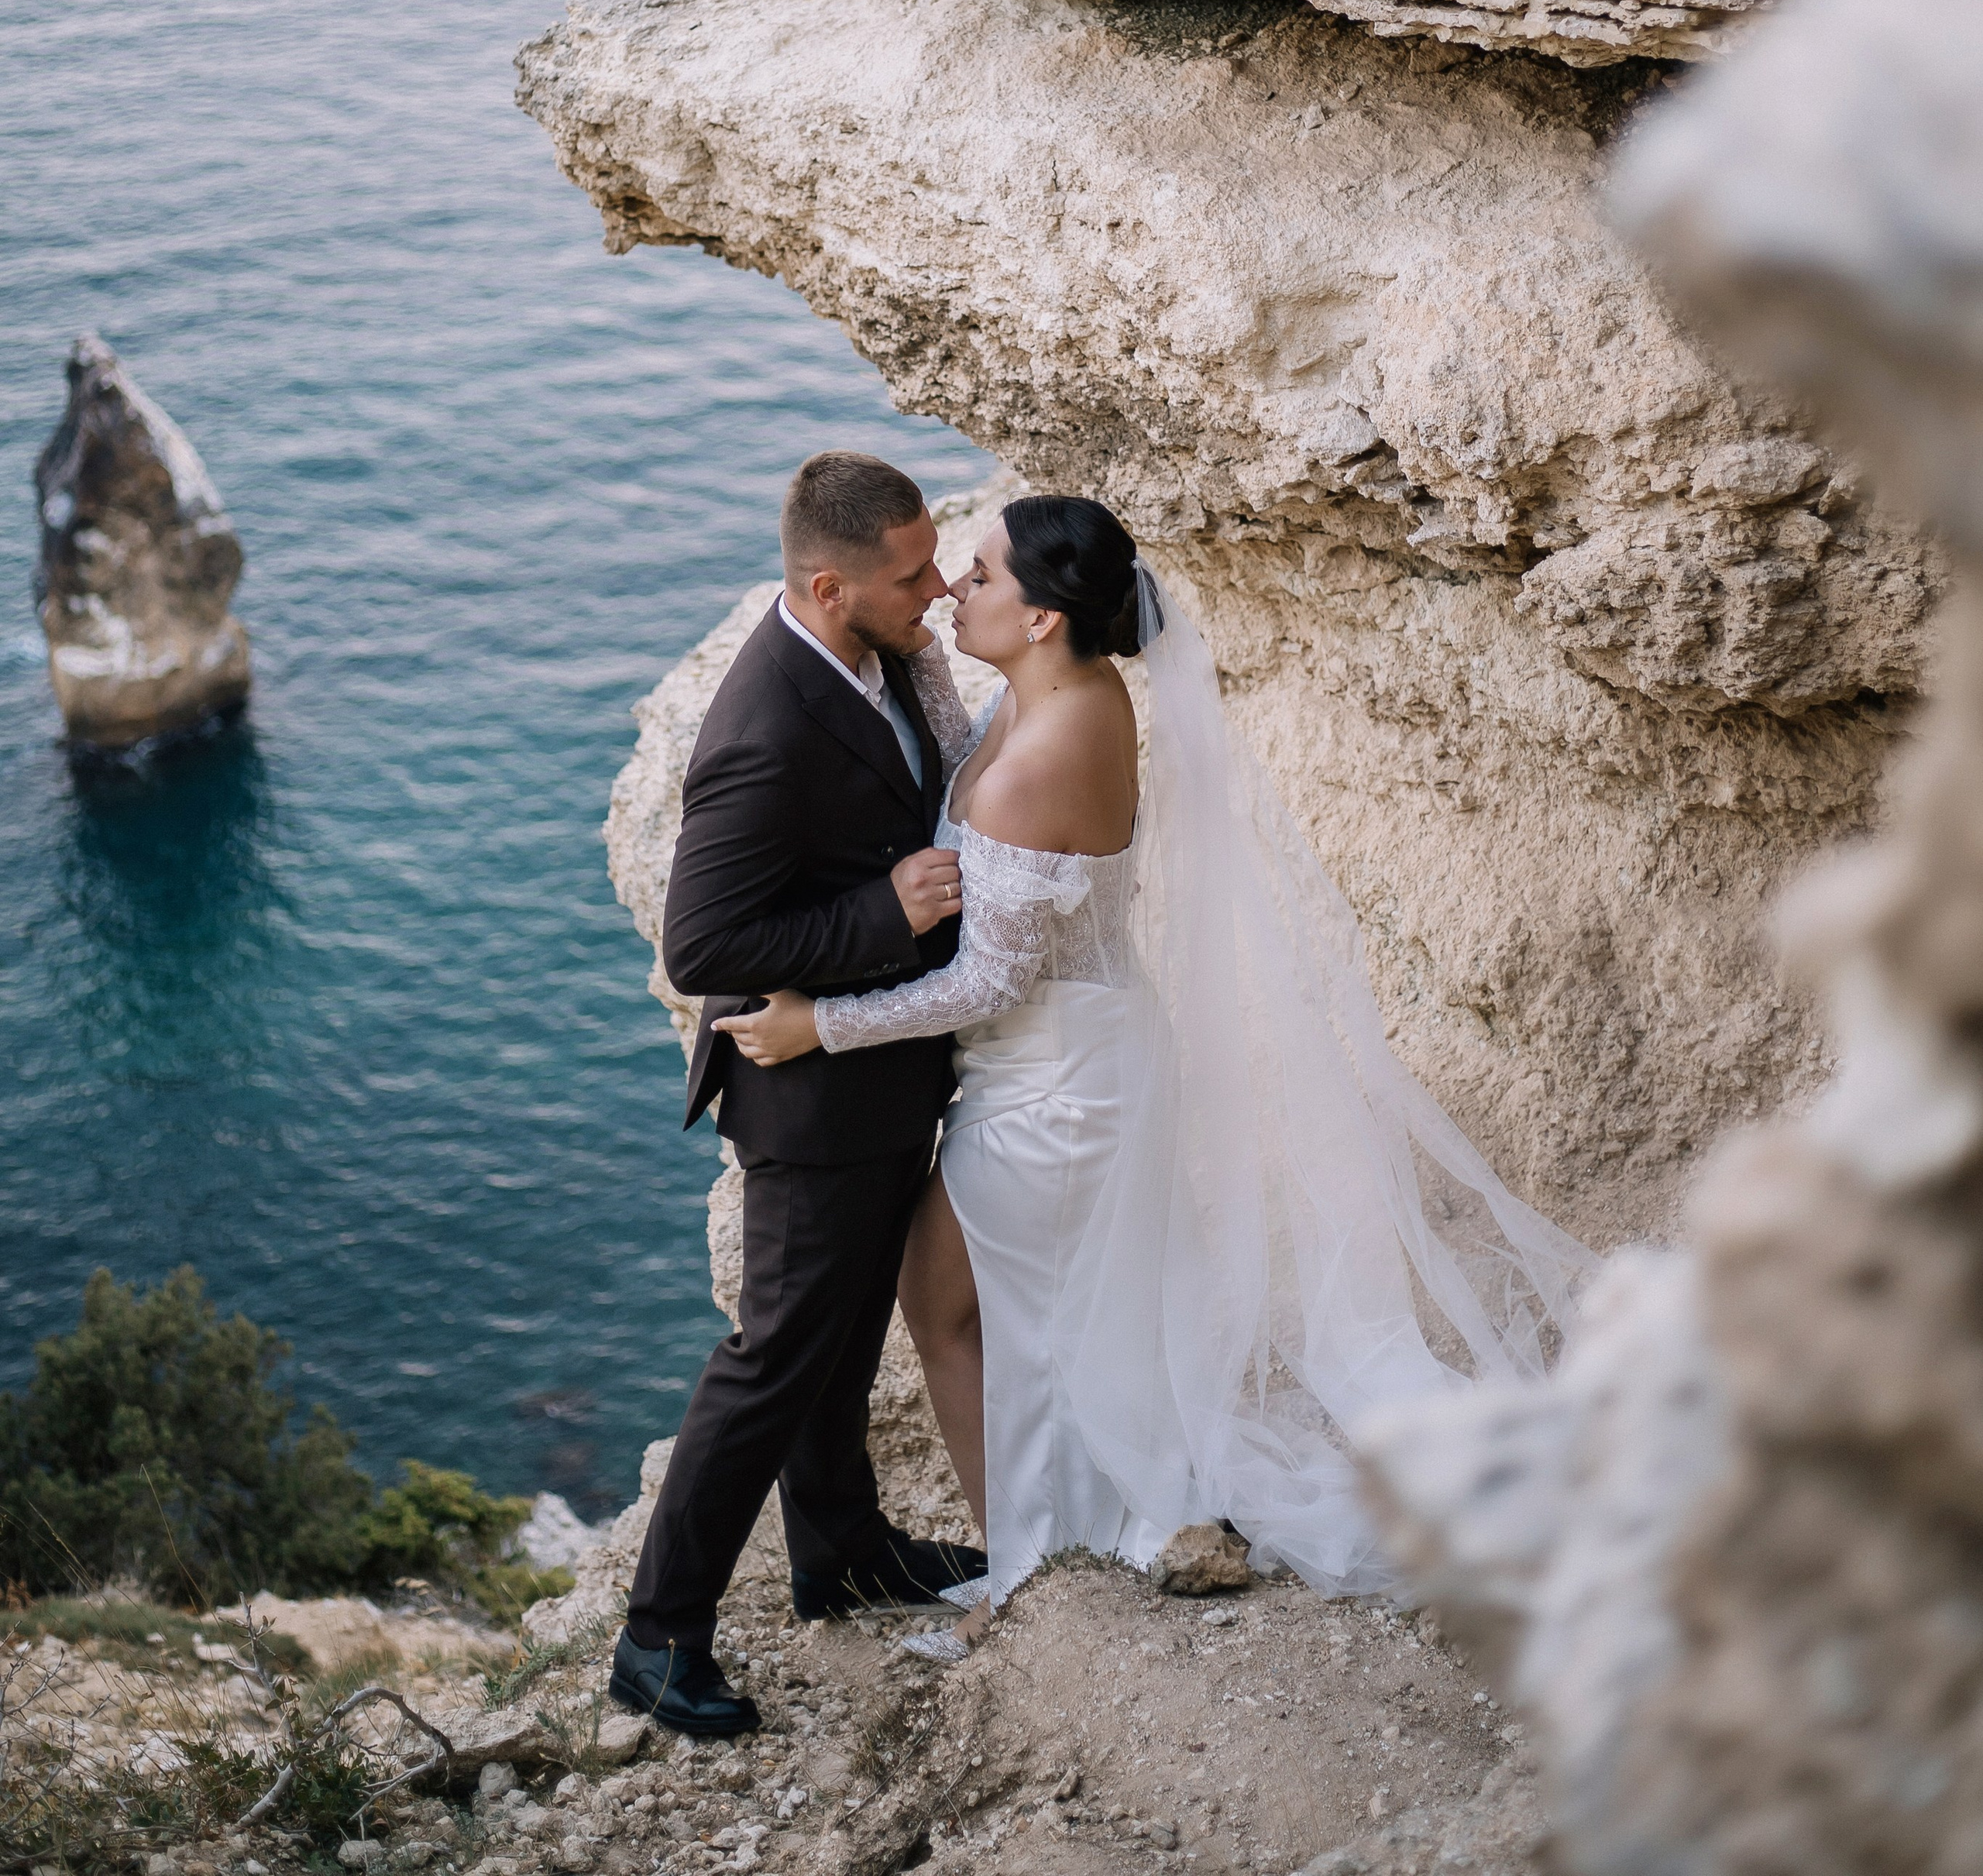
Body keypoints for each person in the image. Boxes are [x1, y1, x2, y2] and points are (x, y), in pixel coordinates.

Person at [715, 494, 1591, 1630]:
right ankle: (1059, 1541)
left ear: (1041, 618)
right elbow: (957, 739)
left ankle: (1037, 1572)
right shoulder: (1048, 695)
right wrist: (915, 640)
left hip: (1056, 1086)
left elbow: (988, 984)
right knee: (1017, 1317)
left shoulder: (1050, 755)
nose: (950, 591)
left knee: (952, 1310)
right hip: (1062, 1061)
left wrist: (813, 1029)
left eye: (976, 576)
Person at [607, 452, 987, 1742]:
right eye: (911, 575)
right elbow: (701, 947)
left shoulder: (874, 659)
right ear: (828, 587)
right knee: (772, 1358)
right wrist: (879, 918)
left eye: (935, 564)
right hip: (809, 1104)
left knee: (831, 1343)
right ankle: (658, 1640)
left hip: (878, 1079)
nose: (935, 591)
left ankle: (845, 1554)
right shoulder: (763, 727)